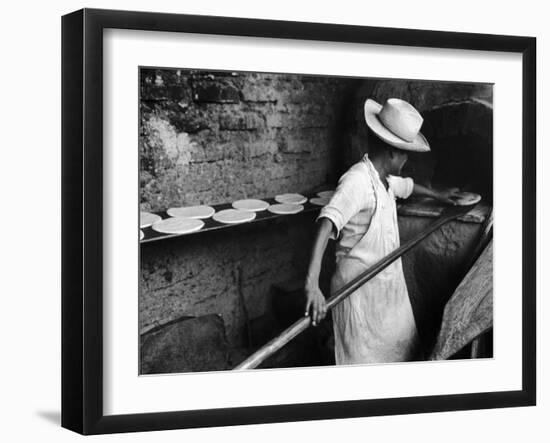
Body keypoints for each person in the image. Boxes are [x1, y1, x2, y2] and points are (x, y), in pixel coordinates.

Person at [304, 97, 460, 364]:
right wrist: (312, 285)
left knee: (399, 351)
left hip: (384, 286)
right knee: (364, 363)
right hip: (358, 293)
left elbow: (406, 186)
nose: (407, 158)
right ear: (391, 153)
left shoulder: (383, 179)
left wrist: (439, 195)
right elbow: (327, 221)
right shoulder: (357, 181)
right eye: (404, 152)